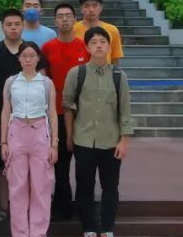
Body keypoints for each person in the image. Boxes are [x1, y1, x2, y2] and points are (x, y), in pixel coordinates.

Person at [63, 26, 133, 237]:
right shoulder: (77, 73)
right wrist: (69, 136)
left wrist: (124, 140)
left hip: (110, 140)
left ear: (109, 46)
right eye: (93, 42)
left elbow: (125, 111)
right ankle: (89, 228)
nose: (99, 46)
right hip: (83, 139)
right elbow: (68, 106)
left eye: (103, 42)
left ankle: (107, 228)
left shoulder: (119, 76)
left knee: (110, 186)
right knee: (85, 185)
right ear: (87, 47)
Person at [1, 41, 57, 237]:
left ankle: (38, 233)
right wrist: (3, 142)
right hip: (16, 132)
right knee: (17, 187)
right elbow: (5, 112)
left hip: (40, 133)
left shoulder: (46, 83)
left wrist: (54, 144)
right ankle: (20, 233)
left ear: (38, 58)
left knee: (41, 186)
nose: (28, 59)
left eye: (31, 56)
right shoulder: (11, 82)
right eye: (24, 56)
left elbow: (52, 114)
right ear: (19, 58)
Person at [41, 3, 89, 222]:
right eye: (60, 16)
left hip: (83, 115)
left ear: (75, 19)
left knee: (84, 165)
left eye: (68, 16)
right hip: (57, 113)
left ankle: (84, 207)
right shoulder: (47, 48)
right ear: (55, 21)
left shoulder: (85, 47)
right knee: (60, 166)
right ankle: (63, 208)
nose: (65, 20)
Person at [0, 8, 24, 223]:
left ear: (23, 25)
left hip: (26, 117)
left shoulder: (29, 50)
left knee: (23, 163)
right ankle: (3, 207)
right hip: (0, 114)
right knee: (1, 162)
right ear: (2, 27)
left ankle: (22, 206)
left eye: (17, 24)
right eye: (9, 24)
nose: (13, 28)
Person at [71, 0, 124, 64]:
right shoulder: (72, 30)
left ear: (101, 7)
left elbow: (115, 60)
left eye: (95, 5)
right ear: (81, 9)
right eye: (86, 6)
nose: (91, 10)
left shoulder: (112, 30)